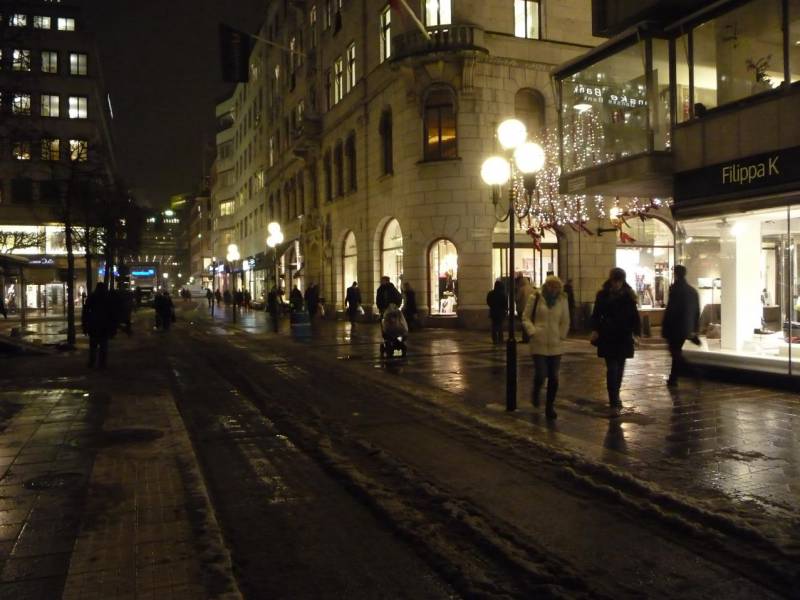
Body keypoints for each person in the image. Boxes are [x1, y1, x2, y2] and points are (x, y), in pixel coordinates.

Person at [590, 268, 641, 414]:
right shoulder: (602, 295)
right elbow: (596, 314)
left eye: (619, 281)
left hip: (624, 336)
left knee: (619, 370)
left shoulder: (629, 295)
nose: (617, 284)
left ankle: (616, 394)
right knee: (612, 369)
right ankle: (613, 400)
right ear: (611, 280)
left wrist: (636, 334)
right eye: (615, 281)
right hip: (608, 336)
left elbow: (634, 316)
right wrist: (595, 330)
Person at [522, 276, 570, 420]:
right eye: (551, 286)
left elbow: (565, 320)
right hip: (539, 342)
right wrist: (533, 331)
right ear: (546, 286)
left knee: (554, 377)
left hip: (556, 344)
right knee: (541, 374)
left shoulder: (562, 300)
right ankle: (536, 392)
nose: (553, 289)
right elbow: (525, 317)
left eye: (556, 287)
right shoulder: (536, 298)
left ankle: (550, 406)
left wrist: (561, 335)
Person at [662, 265, 700, 387]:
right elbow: (697, 311)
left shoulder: (675, 289)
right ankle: (673, 378)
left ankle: (694, 372)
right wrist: (694, 328)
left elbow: (671, 310)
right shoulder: (692, 291)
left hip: (675, 327)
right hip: (686, 327)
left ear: (676, 274)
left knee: (675, 353)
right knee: (676, 352)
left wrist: (665, 326)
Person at [82, 282, 116, 369]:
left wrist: (85, 326)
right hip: (104, 325)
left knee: (93, 345)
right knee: (103, 345)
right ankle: (102, 363)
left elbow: (85, 312)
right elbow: (112, 313)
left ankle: (92, 362)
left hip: (93, 324)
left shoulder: (92, 297)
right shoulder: (107, 297)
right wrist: (112, 328)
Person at [515, 275, 535, 343]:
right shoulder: (532, 289)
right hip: (531, 308)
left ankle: (525, 338)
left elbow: (517, 298)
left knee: (524, 324)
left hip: (522, 308)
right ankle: (529, 337)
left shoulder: (521, 289)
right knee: (529, 323)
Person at [486, 280, 507, 344]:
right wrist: (505, 309)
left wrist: (492, 306)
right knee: (500, 325)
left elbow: (488, 301)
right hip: (500, 312)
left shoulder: (491, 293)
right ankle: (500, 339)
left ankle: (494, 339)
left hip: (493, 311)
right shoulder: (502, 294)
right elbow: (505, 303)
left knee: (494, 325)